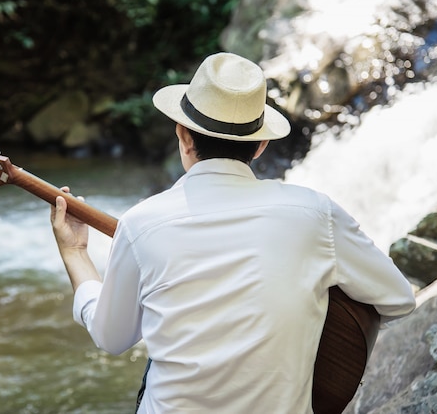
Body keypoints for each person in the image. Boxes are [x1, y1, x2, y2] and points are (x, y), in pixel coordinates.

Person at [50, 52, 416, 413]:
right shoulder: (317, 215)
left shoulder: (142, 224)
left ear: (183, 135)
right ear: (260, 144)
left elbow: (111, 337)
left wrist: (76, 252)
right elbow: (398, 298)